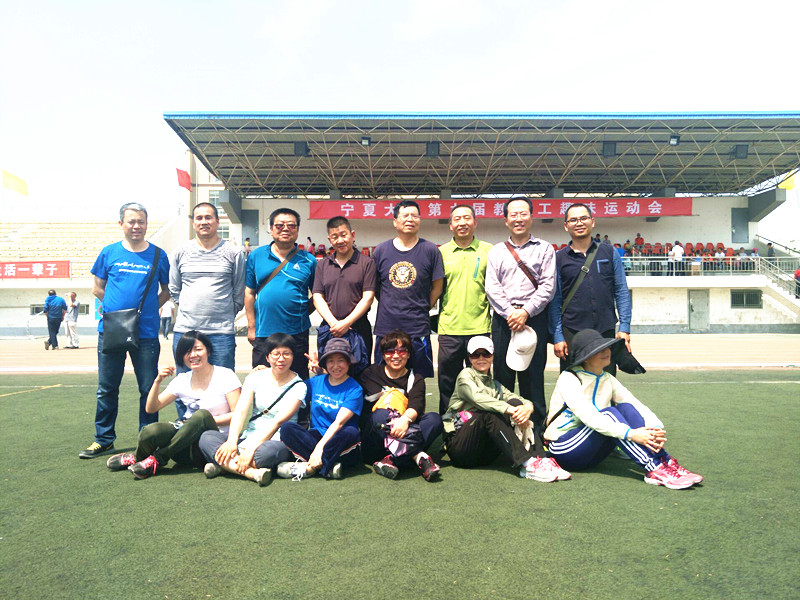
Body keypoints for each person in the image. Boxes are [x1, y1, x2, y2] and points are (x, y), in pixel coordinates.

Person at [544, 329, 702, 489]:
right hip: (563, 449)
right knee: (609, 414)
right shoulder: (569, 378)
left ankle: (664, 460)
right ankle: (654, 468)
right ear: (586, 357)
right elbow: (590, 417)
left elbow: (634, 404)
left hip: (591, 452)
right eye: (599, 350)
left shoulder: (607, 378)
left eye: (607, 347)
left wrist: (655, 428)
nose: (607, 351)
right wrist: (632, 434)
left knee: (626, 407)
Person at [79, 203, 170, 459]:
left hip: (147, 333)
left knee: (147, 388)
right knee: (106, 388)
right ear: (121, 224)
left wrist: (147, 310)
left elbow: (166, 291)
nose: (136, 226)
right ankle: (104, 439)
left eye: (141, 221)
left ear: (147, 224)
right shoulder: (109, 252)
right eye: (131, 221)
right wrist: (117, 311)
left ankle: (147, 439)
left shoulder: (158, 255)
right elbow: (97, 287)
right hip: (112, 331)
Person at [105, 330, 240, 479]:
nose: (193, 355)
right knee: (150, 431)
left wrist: (200, 422)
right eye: (187, 351)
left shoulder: (225, 375)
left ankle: (157, 459)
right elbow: (151, 408)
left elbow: (238, 414)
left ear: (208, 351)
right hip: (181, 448)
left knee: (201, 416)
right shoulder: (182, 379)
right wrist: (157, 381)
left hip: (209, 445)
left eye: (198, 349)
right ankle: (138, 457)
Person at [443, 336, 569, 482]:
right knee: (489, 414)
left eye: (486, 354)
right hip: (461, 449)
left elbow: (516, 398)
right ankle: (527, 464)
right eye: (476, 355)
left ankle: (540, 459)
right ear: (469, 358)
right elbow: (477, 398)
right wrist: (509, 409)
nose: (481, 358)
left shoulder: (495, 384)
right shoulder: (465, 376)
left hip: (483, 454)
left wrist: (528, 407)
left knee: (517, 404)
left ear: (492, 356)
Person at [485, 197, 555, 434]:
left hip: (534, 319)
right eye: (513, 215)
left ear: (531, 217)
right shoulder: (496, 251)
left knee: (533, 378)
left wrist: (525, 311)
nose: (518, 219)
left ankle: (537, 433)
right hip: (503, 321)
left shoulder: (545, 248)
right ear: (505, 220)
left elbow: (548, 287)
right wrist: (511, 313)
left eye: (523, 214)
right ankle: (504, 431)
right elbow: (492, 287)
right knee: (502, 378)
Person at [199, 333, 306, 486]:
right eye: (276, 354)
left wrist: (251, 449)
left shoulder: (299, 386)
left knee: (268, 453)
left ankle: (225, 466)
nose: (281, 359)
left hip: (274, 441)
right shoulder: (256, 377)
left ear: (293, 356)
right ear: (267, 357)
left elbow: (277, 422)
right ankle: (251, 472)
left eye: (286, 354)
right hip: (248, 437)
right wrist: (231, 441)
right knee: (207, 437)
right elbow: (241, 411)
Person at [548, 203, 631, 375]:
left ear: (592, 222)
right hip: (572, 333)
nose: (579, 223)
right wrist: (558, 336)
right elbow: (555, 300)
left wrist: (624, 328)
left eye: (583, 218)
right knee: (573, 383)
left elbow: (621, 291)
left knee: (605, 382)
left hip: (605, 331)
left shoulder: (609, 252)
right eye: (573, 220)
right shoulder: (559, 258)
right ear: (566, 226)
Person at [170, 202, 245, 374]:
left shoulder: (233, 252)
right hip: (185, 331)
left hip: (221, 333)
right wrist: (190, 308)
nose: (204, 222)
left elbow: (238, 291)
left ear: (217, 221)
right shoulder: (180, 252)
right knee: (185, 384)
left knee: (223, 384)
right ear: (193, 223)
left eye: (208, 217)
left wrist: (225, 312)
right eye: (199, 218)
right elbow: (174, 289)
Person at [372, 200, 444, 378]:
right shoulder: (381, 251)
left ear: (420, 220)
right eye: (405, 215)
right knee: (384, 379)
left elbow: (437, 287)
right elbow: (376, 287)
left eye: (415, 215)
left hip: (417, 328)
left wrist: (423, 307)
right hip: (387, 326)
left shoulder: (430, 250)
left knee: (417, 379)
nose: (410, 219)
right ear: (395, 221)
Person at [360, 331, 443, 481]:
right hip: (376, 441)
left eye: (401, 351)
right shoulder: (370, 374)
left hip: (404, 429)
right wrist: (323, 371)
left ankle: (391, 460)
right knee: (380, 414)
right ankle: (416, 456)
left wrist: (404, 420)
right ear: (383, 355)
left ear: (409, 354)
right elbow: (346, 384)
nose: (396, 355)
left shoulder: (415, 378)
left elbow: (416, 406)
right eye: (390, 351)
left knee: (434, 419)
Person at [245, 208, 316, 379]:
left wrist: (301, 312)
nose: (285, 229)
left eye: (291, 225)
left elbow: (318, 296)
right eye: (279, 225)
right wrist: (251, 327)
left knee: (297, 380)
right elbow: (249, 293)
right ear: (271, 229)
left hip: (297, 333)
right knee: (261, 380)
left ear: (297, 229)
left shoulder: (309, 260)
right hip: (263, 332)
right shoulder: (256, 256)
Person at [277, 338, 362, 480]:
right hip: (316, 436)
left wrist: (319, 449)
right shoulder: (315, 382)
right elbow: (291, 387)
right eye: (330, 361)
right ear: (325, 364)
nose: (336, 366)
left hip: (339, 439)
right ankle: (329, 466)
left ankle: (309, 468)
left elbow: (339, 423)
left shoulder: (355, 389)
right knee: (287, 428)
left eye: (341, 360)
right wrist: (267, 371)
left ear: (348, 362)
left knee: (351, 433)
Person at [437, 204, 493, 414]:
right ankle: (448, 426)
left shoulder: (489, 251)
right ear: (450, 225)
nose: (462, 223)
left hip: (480, 328)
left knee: (480, 385)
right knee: (448, 384)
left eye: (467, 218)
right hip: (449, 330)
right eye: (457, 219)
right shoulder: (441, 253)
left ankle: (479, 425)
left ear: (475, 222)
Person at [312, 215, 376, 362]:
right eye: (335, 237)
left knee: (360, 372)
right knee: (331, 371)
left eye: (343, 235)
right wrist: (334, 324)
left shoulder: (366, 263)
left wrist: (346, 323)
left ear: (352, 235)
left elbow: (368, 298)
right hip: (330, 329)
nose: (340, 240)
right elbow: (317, 297)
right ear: (329, 240)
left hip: (358, 329)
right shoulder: (323, 264)